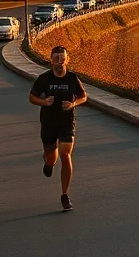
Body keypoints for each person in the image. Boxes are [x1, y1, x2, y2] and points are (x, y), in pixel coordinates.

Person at [29, 45, 87, 211]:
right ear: (51, 61)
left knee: (65, 154)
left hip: (67, 123)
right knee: (51, 158)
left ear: (67, 60)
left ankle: (65, 195)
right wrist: (43, 102)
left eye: (63, 58)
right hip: (48, 123)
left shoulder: (73, 79)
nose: (60, 62)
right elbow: (32, 97)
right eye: (56, 58)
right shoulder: (44, 79)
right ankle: (48, 163)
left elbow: (84, 96)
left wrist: (73, 104)